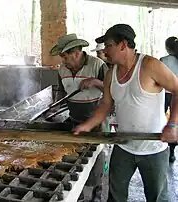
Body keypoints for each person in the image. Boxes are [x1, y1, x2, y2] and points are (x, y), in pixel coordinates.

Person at [73, 24, 178, 202]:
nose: (105, 51)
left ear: (123, 45)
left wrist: (173, 124)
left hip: (153, 148)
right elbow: (105, 105)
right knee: (115, 196)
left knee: (157, 197)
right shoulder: (110, 74)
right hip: (123, 145)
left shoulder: (150, 65)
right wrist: (87, 125)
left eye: (108, 45)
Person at [49, 33, 108, 201]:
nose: (62, 60)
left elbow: (113, 92)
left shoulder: (98, 65)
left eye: (64, 56)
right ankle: (78, 193)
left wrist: (96, 82)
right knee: (73, 158)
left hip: (97, 122)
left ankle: (97, 191)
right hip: (75, 120)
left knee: (96, 159)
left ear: (76, 53)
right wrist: (54, 106)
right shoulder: (62, 70)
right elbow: (61, 92)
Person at [160, 36, 178, 163]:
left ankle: (161, 147)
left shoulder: (163, 60)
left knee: (161, 120)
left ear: (167, 48)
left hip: (165, 94)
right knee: (175, 122)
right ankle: (172, 152)